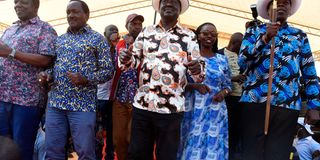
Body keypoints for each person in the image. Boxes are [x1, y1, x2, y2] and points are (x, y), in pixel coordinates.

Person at [119, 0, 205, 159]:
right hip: (143, 105)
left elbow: (198, 74)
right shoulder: (146, 32)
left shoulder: (189, 36)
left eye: (174, 2)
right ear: (159, 7)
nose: (169, 4)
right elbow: (132, 62)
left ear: (180, 9)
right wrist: (125, 57)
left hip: (171, 109)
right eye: (165, 1)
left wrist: (197, 69)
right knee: (137, 153)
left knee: (167, 155)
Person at [238, 0, 320, 159]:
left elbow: (309, 72)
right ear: (268, 10)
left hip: (287, 105)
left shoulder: (299, 35)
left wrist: (314, 105)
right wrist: (265, 38)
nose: (282, 4)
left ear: (290, 9)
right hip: (254, 102)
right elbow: (242, 62)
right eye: (277, 2)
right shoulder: (254, 31)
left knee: (278, 154)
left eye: (286, 2)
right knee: (251, 153)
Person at [39, 0, 114, 159]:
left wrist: (85, 79)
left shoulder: (98, 39)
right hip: (56, 103)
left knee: (85, 152)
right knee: (52, 151)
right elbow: (54, 66)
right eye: (68, 12)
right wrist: (47, 75)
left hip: (82, 105)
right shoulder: (60, 39)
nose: (71, 15)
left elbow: (108, 71)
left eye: (75, 11)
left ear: (86, 15)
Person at [0, 0, 57, 160]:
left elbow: (46, 60)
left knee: (21, 149)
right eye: (16, 2)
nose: (18, 5)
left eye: (23, 2)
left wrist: (11, 52)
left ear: (35, 6)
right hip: (2, 97)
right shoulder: (9, 29)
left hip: (27, 101)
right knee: (3, 148)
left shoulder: (45, 29)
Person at [178, 22, 232, 160]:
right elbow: (177, 82)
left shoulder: (222, 59)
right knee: (191, 142)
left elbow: (228, 85)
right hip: (193, 108)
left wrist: (223, 93)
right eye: (206, 33)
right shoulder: (189, 57)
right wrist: (194, 86)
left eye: (213, 34)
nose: (210, 37)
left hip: (216, 110)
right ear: (198, 36)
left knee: (213, 146)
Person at [110, 13, 144, 160]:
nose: (137, 26)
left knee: (133, 138)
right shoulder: (120, 44)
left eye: (139, 24)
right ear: (126, 26)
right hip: (120, 97)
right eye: (133, 23)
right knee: (118, 138)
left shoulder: (147, 43)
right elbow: (114, 66)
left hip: (139, 99)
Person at [218, 32, 245, 160]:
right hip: (227, 99)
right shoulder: (219, 54)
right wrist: (234, 78)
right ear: (234, 43)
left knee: (238, 131)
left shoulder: (244, 56)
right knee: (226, 129)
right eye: (242, 44)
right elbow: (217, 77)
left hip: (242, 99)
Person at [96, 24, 119, 160]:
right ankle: (97, 156)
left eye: (116, 30)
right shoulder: (99, 50)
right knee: (98, 130)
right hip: (99, 97)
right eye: (111, 30)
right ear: (105, 33)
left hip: (112, 98)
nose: (114, 32)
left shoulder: (118, 50)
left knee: (111, 130)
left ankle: (109, 155)